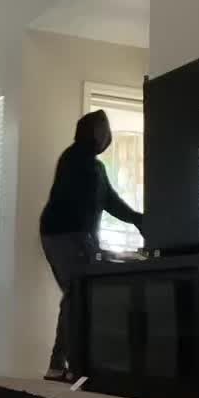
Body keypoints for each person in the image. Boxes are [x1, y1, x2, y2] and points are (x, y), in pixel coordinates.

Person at [39, 109, 144, 382]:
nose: (108, 136)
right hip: (65, 235)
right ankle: (68, 366)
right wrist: (93, 248)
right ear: (96, 133)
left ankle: (64, 365)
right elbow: (89, 203)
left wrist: (137, 219)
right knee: (78, 294)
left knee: (76, 294)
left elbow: (109, 200)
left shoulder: (89, 164)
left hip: (64, 235)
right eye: (105, 130)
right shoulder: (79, 160)